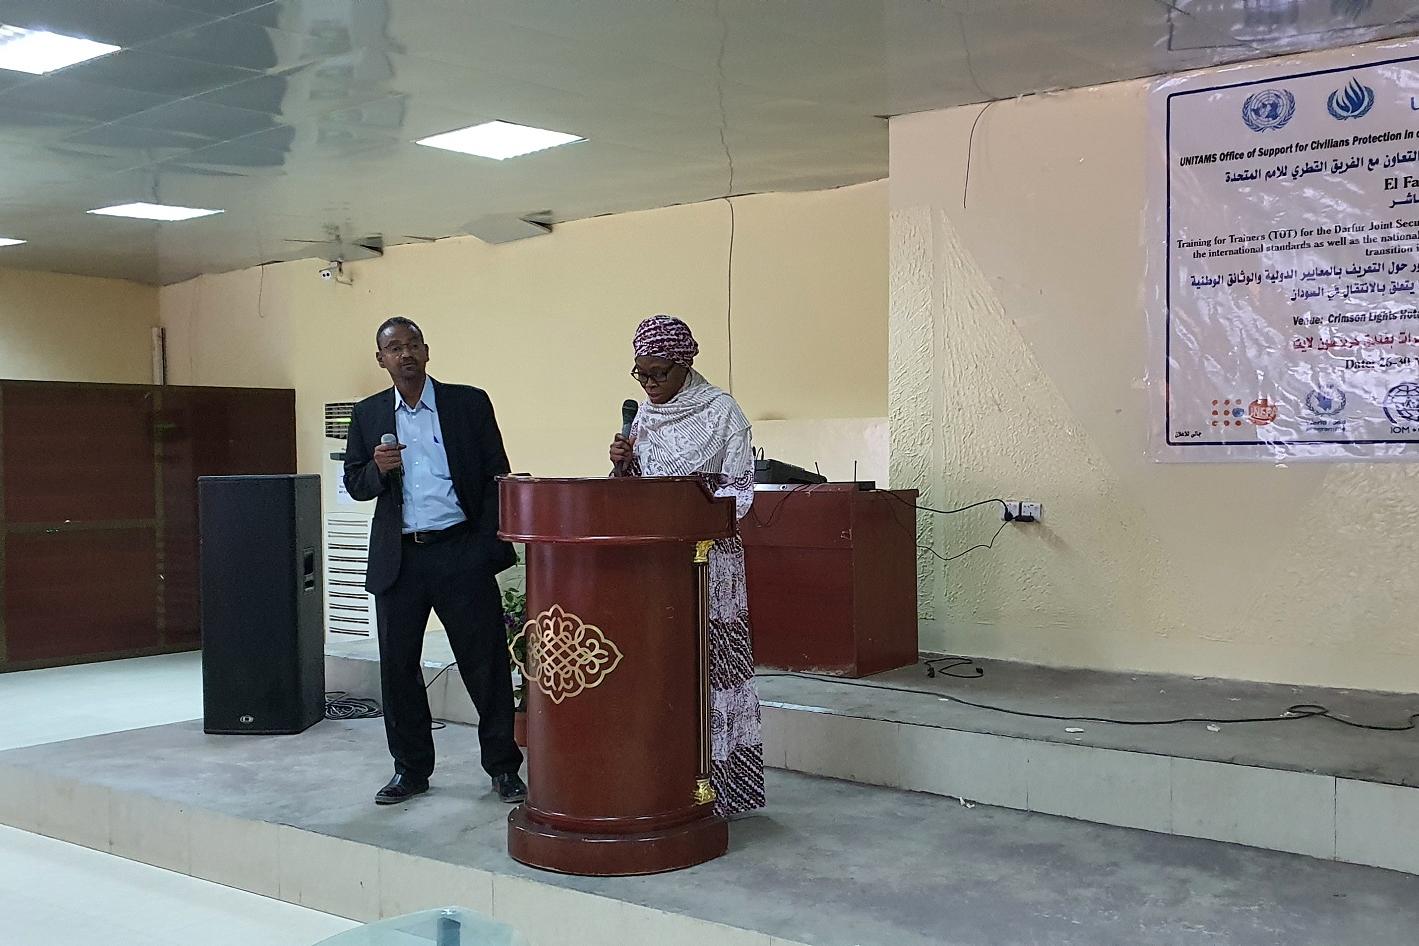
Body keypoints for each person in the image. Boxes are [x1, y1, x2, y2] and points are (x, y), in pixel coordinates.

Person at [344, 317, 527, 806]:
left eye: (412, 345)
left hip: (459, 550)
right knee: (398, 668)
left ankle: (503, 768)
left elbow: (496, 477)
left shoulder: (468, 403)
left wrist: (482, 547)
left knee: (485, 664)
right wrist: (376, 471)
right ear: (380, 359)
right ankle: (410, 771)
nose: (404, 354)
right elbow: (355, 484)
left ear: (426, 351)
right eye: (394, 348)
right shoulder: (367, 414)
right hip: (400, 558)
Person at [609, 315, 765, 818]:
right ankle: (665, 781)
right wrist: (622, 465)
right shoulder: (643, 418)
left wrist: (692, 505)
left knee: (711, 670)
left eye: (659, 373)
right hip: (656, 565)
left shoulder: (722, 412)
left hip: (708, 562)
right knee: (663, 666)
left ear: (684, 365)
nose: (649, 384)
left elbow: (741, 492)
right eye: (641, 374)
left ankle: (721, 789)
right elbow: (635, 492)